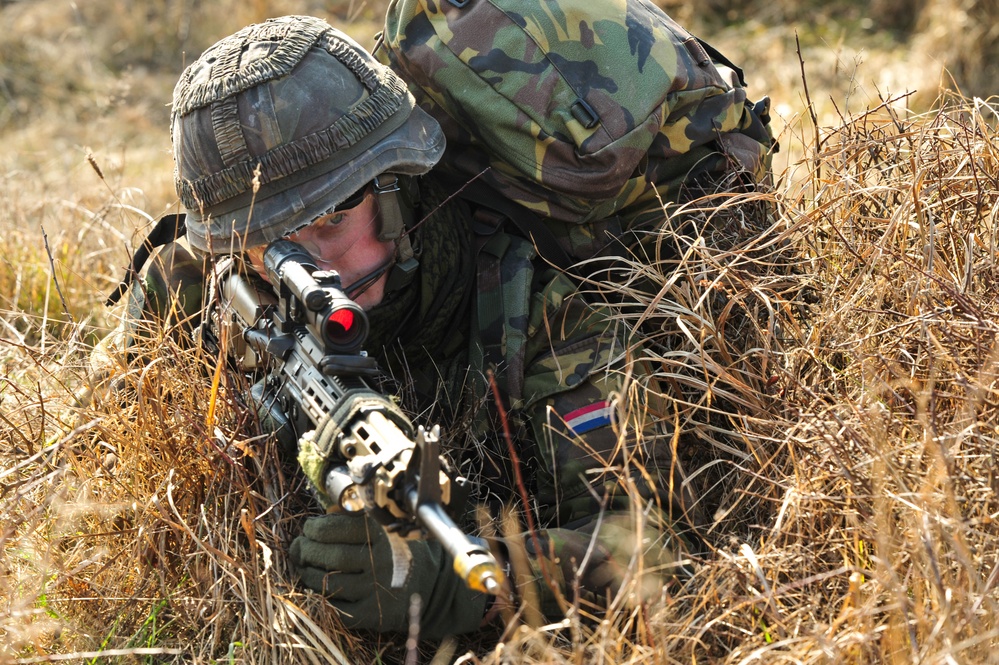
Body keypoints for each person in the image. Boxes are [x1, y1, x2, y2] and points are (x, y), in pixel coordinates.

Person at [95, 14, 758, 640]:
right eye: (272, 243)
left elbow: (653, 549)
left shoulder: (530, 312)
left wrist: (483, 582)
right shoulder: (189, 282)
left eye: (335, 214)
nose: (318, 262)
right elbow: (105, 446)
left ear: (395, 185)